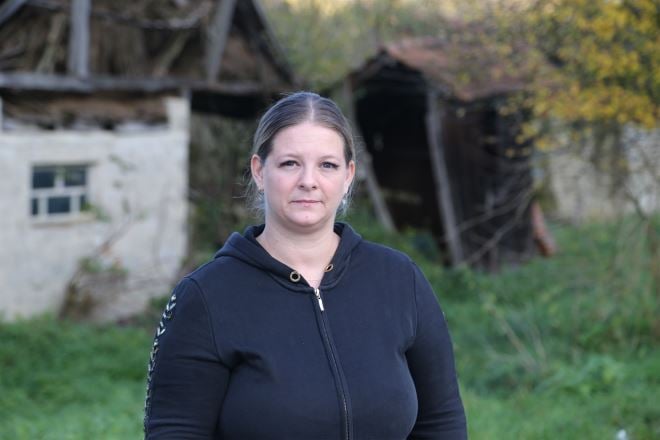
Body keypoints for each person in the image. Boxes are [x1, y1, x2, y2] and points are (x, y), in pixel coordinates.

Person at [143, 92, 467, 439]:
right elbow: (174, 431)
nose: (308, 181)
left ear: (348, 175)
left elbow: (441, 423)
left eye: (327, 165)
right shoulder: (206, 297)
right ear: (259, 171)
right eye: (290, 164)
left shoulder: (400, 280)